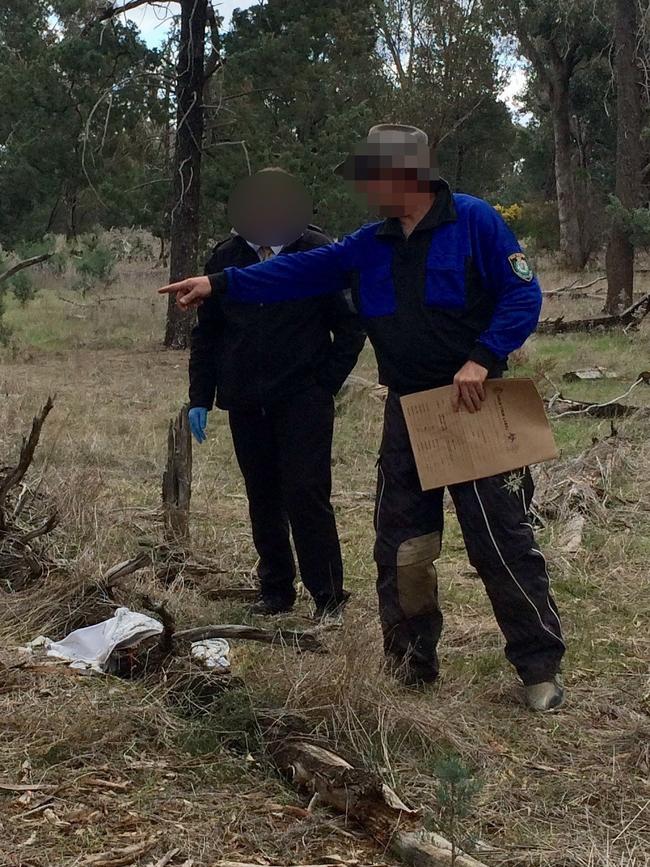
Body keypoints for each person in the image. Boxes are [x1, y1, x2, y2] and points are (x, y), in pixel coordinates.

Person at [160, 125, 566, 711]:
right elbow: (300, 271)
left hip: (473, 404)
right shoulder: (367, 243)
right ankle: (409, 662)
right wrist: (220, 282)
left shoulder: (474, 221)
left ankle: (538, 668)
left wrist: (481, 358)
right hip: (408, 411)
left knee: (498, 540)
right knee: (402, 545)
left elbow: (523, 296)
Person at [189, 168, 365, 619]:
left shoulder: (318, 252)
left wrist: (324, 382)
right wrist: (200, 397)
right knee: (262, 494)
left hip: (302, 397)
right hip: (246, 398)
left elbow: (348, 326)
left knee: (306, 492)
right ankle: (275, 590)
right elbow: (208, 334)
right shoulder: (225, 258)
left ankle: (327, 596)